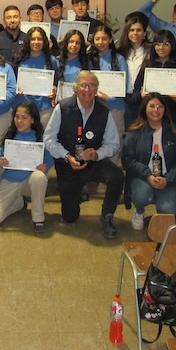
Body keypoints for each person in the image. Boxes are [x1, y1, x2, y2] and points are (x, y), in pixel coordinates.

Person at [44, 71, 124, 238]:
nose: (87, 89)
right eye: (83, 85)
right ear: (76, 88)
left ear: (96, 89)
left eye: (92, 85)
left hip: (93, 163)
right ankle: (78, 190)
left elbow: (113, 144)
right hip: (67, 166)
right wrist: (67, 156)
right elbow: (49, 139)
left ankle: (107, 216)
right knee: (70, 217)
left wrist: (97, 154)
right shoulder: (62, 108)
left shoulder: (104, 112)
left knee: (116, 175)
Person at [122, 93, 176, 231]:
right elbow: (127, 160)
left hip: (167, 180)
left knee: (169, 208)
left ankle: (161, 216)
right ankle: (139, 211)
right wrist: (147, 175)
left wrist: (168, 179)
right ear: (144, 109)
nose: (156, 110)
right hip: (142, 178)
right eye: (151, 106)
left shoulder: (174, 133)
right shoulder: (134, 132)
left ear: (165, 110)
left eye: (160, 106)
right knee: (141, 196)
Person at [0, 101, 54, 233]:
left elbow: (50, 159)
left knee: (39, 177)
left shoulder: (41, 138)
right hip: (10, 180)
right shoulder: (10, 136)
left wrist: (44, 167)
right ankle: (19, 203)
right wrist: (1, 161)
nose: (19, 121)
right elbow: (1, 156)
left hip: (29, 182)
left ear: (32, 119)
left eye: (24, 118)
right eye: (17, 117)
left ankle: (38, 218)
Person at [132, 30, 176, 128]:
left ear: (172, 46)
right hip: (150, 119)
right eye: (157, 44)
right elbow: (135, 95)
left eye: (166, 44)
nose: (161, 47)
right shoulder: (147, 66)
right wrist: (141, 95)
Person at [88, 25, 128, 140]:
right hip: (95, 106)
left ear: (110, 40)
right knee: (96, 139)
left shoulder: (119, 59)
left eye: (104, 39)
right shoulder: (90, 59)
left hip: (115, 106)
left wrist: (109, 98)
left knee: (116, 139)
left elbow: (124, 85)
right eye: (97, 39)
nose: (100, 42)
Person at [12, 26, 58, 123]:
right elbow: (13, 81)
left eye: (39, 39)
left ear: (44, 41)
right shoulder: (19, 58)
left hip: (43, 108)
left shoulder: (52, 60)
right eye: (33, 39)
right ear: (28, 41)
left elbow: (55, 83)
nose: (36, 42)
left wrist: (54, 92)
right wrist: (15, 88)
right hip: (21, 107)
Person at [118, 12, 150, 128]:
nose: (135, 33)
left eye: (139, 30)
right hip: (124, 99)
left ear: (144, 33)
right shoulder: (120, 52)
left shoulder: (151, 52)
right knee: (127, 131)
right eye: (131, 30)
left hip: (144, 99)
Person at [55, 29, 88, 102]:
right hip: (60, 102)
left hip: (80, 102)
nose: (74, 45)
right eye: (71, 42)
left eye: (78, 43)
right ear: (66, 43)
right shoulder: (56, 61)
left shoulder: (87, 62)